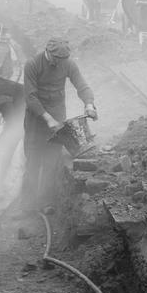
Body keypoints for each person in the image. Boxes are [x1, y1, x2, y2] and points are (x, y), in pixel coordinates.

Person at [20, 37, 97, 215]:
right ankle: (27, 203)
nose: (59, 63)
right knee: (33, 161)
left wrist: (89, 104)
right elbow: (30, 97)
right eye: (56, 59)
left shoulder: (68, 63)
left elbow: (82, 85)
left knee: (51, 163)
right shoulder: (32, 64)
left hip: (58, 116)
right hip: (35, 120)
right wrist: (48, 119)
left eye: (63, 60)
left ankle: (46, 201)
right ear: (48, 52)